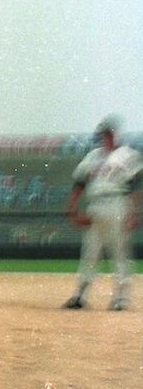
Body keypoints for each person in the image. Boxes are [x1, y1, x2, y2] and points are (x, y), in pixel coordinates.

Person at [63, 116, 142, 311]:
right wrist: (71, 210)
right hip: (95, 205)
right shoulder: (93, 156)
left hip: (118, 203)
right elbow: (79, 184)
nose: (104, 138)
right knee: (90, 252)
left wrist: (134, 213)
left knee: (119, 252)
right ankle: (80, 295)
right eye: (102, 135)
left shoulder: (129, 155)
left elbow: (136, 186)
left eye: (107, 134)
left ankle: (121, 298)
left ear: (115, 134)